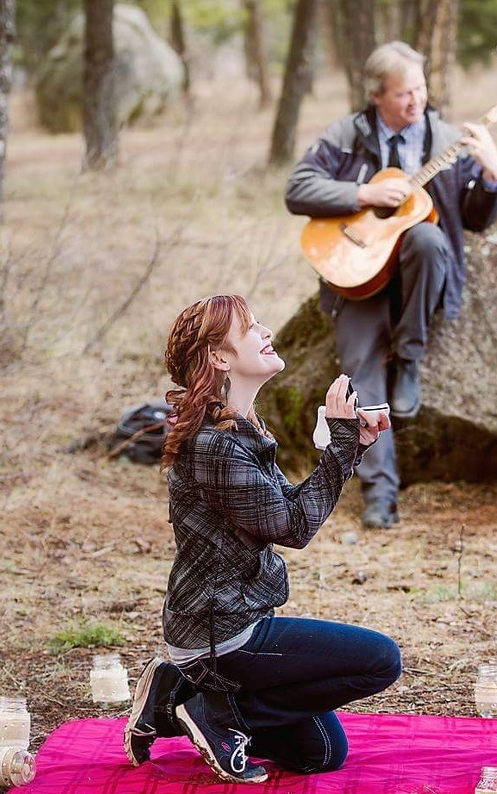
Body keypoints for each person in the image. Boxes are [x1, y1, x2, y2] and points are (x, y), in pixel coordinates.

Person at [122, 294, 401, 784]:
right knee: (381, 660)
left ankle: (174, 701)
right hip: (220, 634)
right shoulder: (215, 445)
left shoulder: (241, 427)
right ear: (220, 356)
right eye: (250, 327)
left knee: (321, 755)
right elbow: (294, 529)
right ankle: (214, 715)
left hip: (235, 619)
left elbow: (280, 514)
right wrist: (339, 449)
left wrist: (347, 446)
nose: (266, 331)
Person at [285, 41, 497, 529]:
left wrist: (491, 175)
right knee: (361, 381)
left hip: (419, 281)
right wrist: (361, 193)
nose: (416, 100)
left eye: (421, 89)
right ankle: (380, 494)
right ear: (376, 95)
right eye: (404, 93)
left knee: (427, 238)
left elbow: (477, 218)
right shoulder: (347, 135)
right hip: (359, 280)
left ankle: (408, 355)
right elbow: (298, 188)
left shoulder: (446, 138)